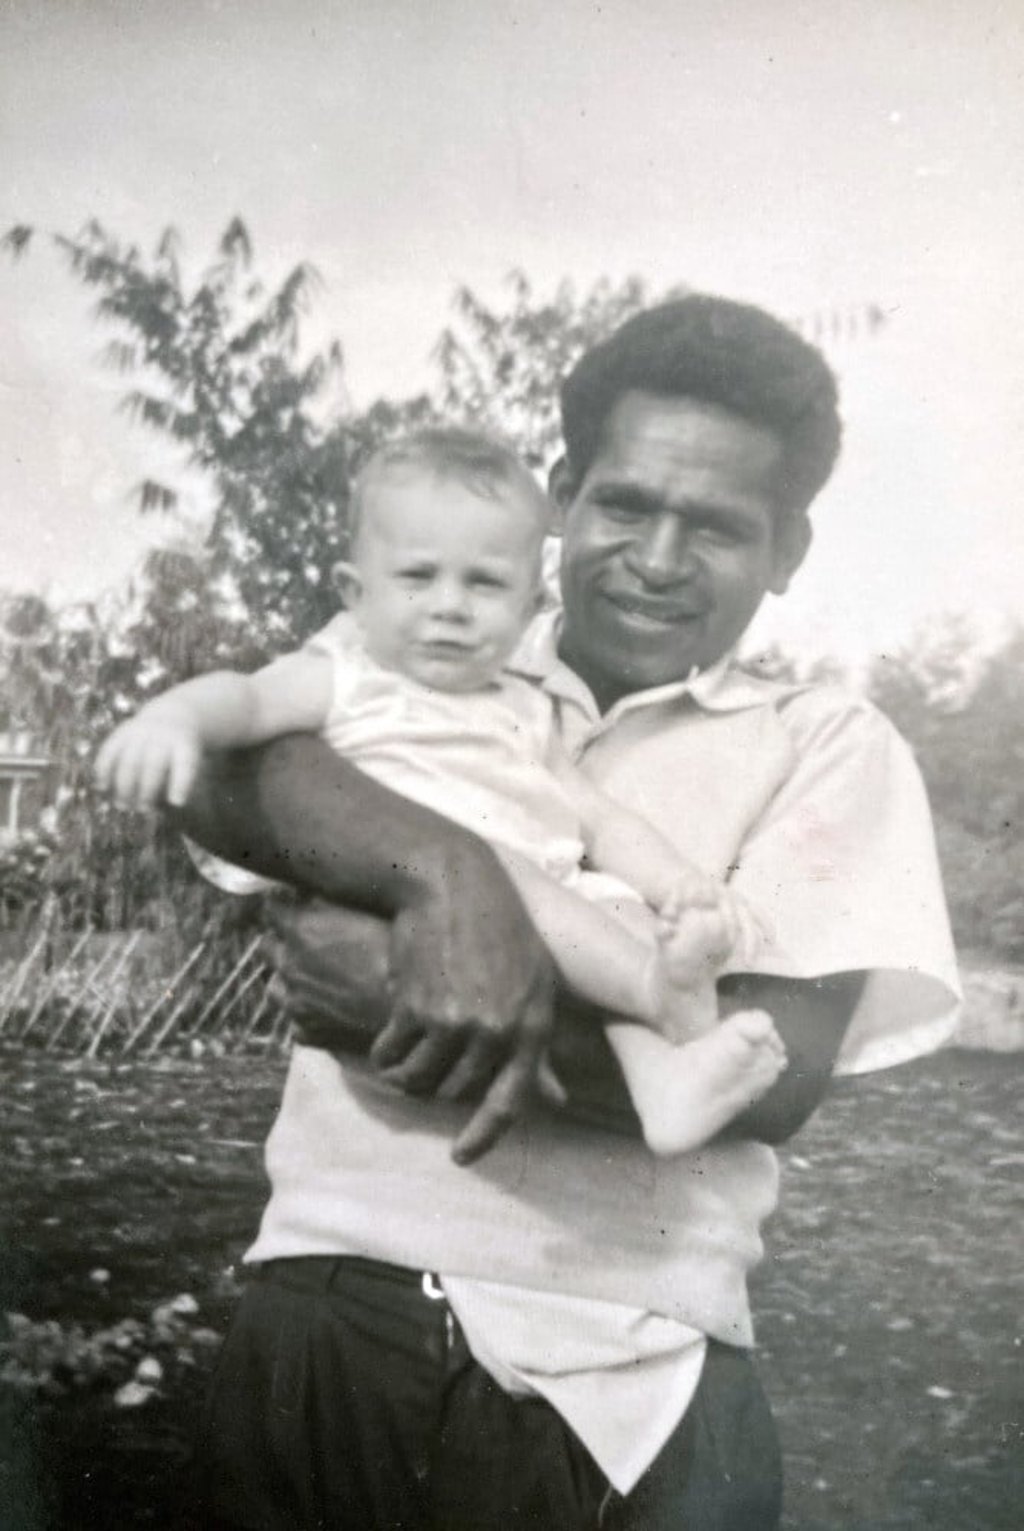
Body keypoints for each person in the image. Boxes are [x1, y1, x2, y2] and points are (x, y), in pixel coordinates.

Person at [171, 294, 961, 1530]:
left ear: (788, 550)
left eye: (715, 527)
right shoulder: (433, 641)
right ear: (562, 495)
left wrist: (401, 1000)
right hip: (334, 1294)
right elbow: (235, 773)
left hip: (635, 1360)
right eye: (624, 504)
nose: (654, 558)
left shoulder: (824, 743)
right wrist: (444, 872)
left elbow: (776, 1076)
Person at [96, 425, 786, 1153]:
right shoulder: (348, 676)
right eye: (418, 577)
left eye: (484, 583)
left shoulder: (522, 704)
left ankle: (666, 1087)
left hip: (553, 899)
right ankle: (656, 992)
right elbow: (247, 703)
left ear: (527, 607)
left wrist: (680, 884)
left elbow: (599, 819)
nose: (450, 606)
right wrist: (173, 715)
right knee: (530, 887)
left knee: (622, 908)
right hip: (428, 904)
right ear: (355, 594)